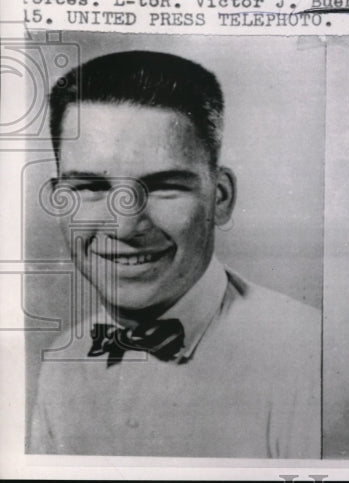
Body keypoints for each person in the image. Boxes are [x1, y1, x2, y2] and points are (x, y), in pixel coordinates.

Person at [29, 50, 320, 458]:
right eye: (90, 187)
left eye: (165, 185)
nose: (126, 226)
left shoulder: (309, 357)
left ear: (220, 198)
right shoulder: (64, 357)